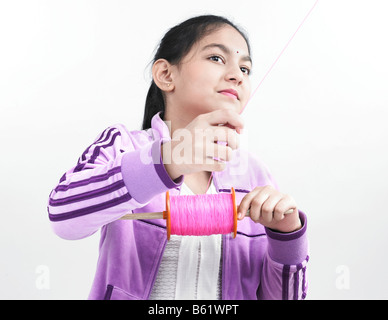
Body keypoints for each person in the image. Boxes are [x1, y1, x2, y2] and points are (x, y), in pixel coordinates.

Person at [47, 15, 309, 300]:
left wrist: (287, 236)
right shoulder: (124, 147)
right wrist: (167, 160)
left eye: (245, 68)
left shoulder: (255, 175)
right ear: (166, 75)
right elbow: (62, 217)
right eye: (217, 58)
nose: (237, 75)